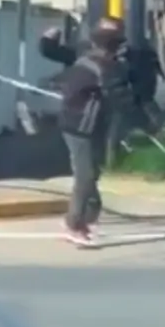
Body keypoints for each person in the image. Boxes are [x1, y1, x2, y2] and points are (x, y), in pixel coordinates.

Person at [52, 19, 145, 246]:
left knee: (92, 172)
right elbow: (123, 100)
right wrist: (148, 125)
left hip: (88, 125)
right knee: (85, 176)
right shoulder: (106, 69)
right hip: (79, 127)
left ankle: (88, 216)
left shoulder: (90, 61)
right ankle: (74, 224)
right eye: (117, 44)